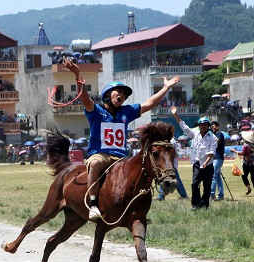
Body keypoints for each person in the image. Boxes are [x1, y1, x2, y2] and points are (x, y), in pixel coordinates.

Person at [64, 58, 180, 220]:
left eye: (124, 95)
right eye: (118, 92)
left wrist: (166, 88)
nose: (122, 96)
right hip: (100, 155)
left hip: (121, 158)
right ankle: (93, 204)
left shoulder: (126, 112)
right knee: (96, 163)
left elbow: (149, 103)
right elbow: (84, 97)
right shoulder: (96, 111)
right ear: (107, 94)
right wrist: (77, 74)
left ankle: (138, 208)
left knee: (142, 167)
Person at [171, 108, 217, 209]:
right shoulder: (195, 134)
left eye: (205, 125)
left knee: (207, 187)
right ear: (199, 126)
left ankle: (204, 205)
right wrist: (176, 116)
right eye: (201, 125)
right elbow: (185, 127)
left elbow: (211, 153)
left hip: (208, 165)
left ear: (208, 126)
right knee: (194, 184)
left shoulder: (213, 138)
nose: (203, 127)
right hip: (197, 164)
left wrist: (205, 163)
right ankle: (195, 204)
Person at [231, 130, 254, 196]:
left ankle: (249, 188)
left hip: (247, 163)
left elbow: (243, 153)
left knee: (243, 176)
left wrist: (234, 151)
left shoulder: (246, 145)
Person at [210, 121, 225, 200]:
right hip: (214, 158)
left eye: (214, 126)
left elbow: (216, 143)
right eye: (212, 126)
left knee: (213, 176)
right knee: (218, 177)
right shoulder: (213, 134)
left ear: (218, 127)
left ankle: (212, 194)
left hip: (218, 158)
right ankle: (221, 195)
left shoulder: (219, 134)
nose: (213, 127)